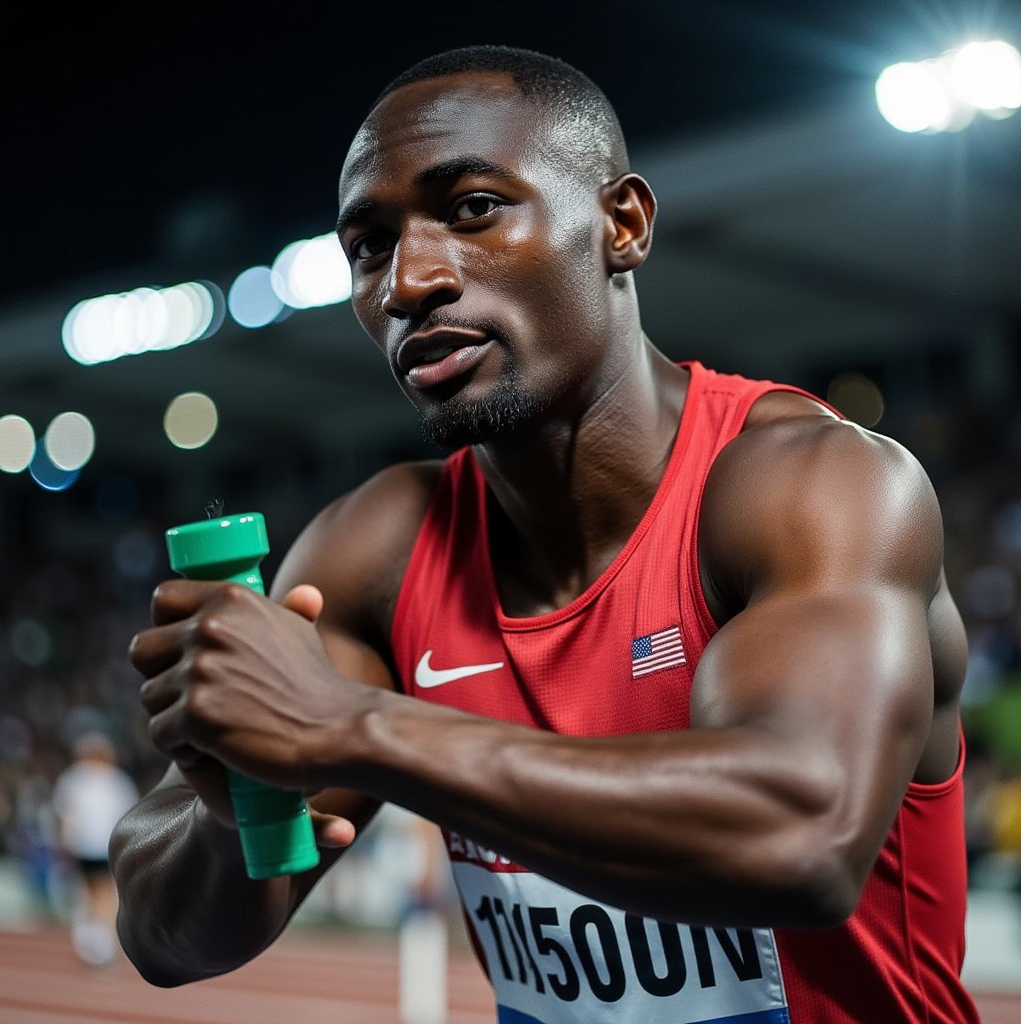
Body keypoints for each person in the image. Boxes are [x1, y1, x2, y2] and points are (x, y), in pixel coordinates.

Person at [110, 44, 979, 1023]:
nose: (407, 282)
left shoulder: (813, 485)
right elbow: (161, 939)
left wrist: (354, 727)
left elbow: (803, 837)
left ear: (622, 224)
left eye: (473, 208)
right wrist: (237, 807)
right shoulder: (376, 551)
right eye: (369, 247)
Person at [53, 731, 139, 966]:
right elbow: (130, 815)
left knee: (92, 895)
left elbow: (65, 815)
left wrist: (64, 842)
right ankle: (99, 943)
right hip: (103, 845)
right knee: (102, 895)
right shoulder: (115, 780)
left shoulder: (76, 778)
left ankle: (96, 943)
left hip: (90, 846)